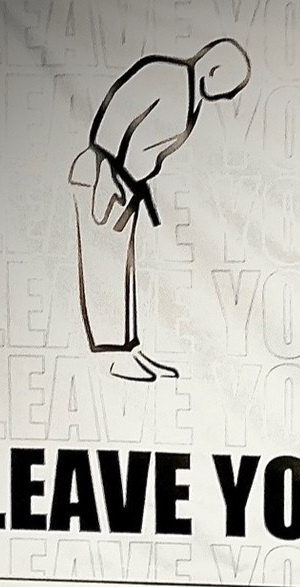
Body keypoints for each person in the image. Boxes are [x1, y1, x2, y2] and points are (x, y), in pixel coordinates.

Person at [68, 39, 251, 381]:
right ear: (212, 68)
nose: (225, 96)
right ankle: (111, 354)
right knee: (102, 265)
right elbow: (116, 115)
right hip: (103, 175)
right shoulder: (164, 76)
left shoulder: (189, 97)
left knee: (123, 266)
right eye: (225, 86)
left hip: (124, 183)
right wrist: (107, 172)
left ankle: (129, 348)